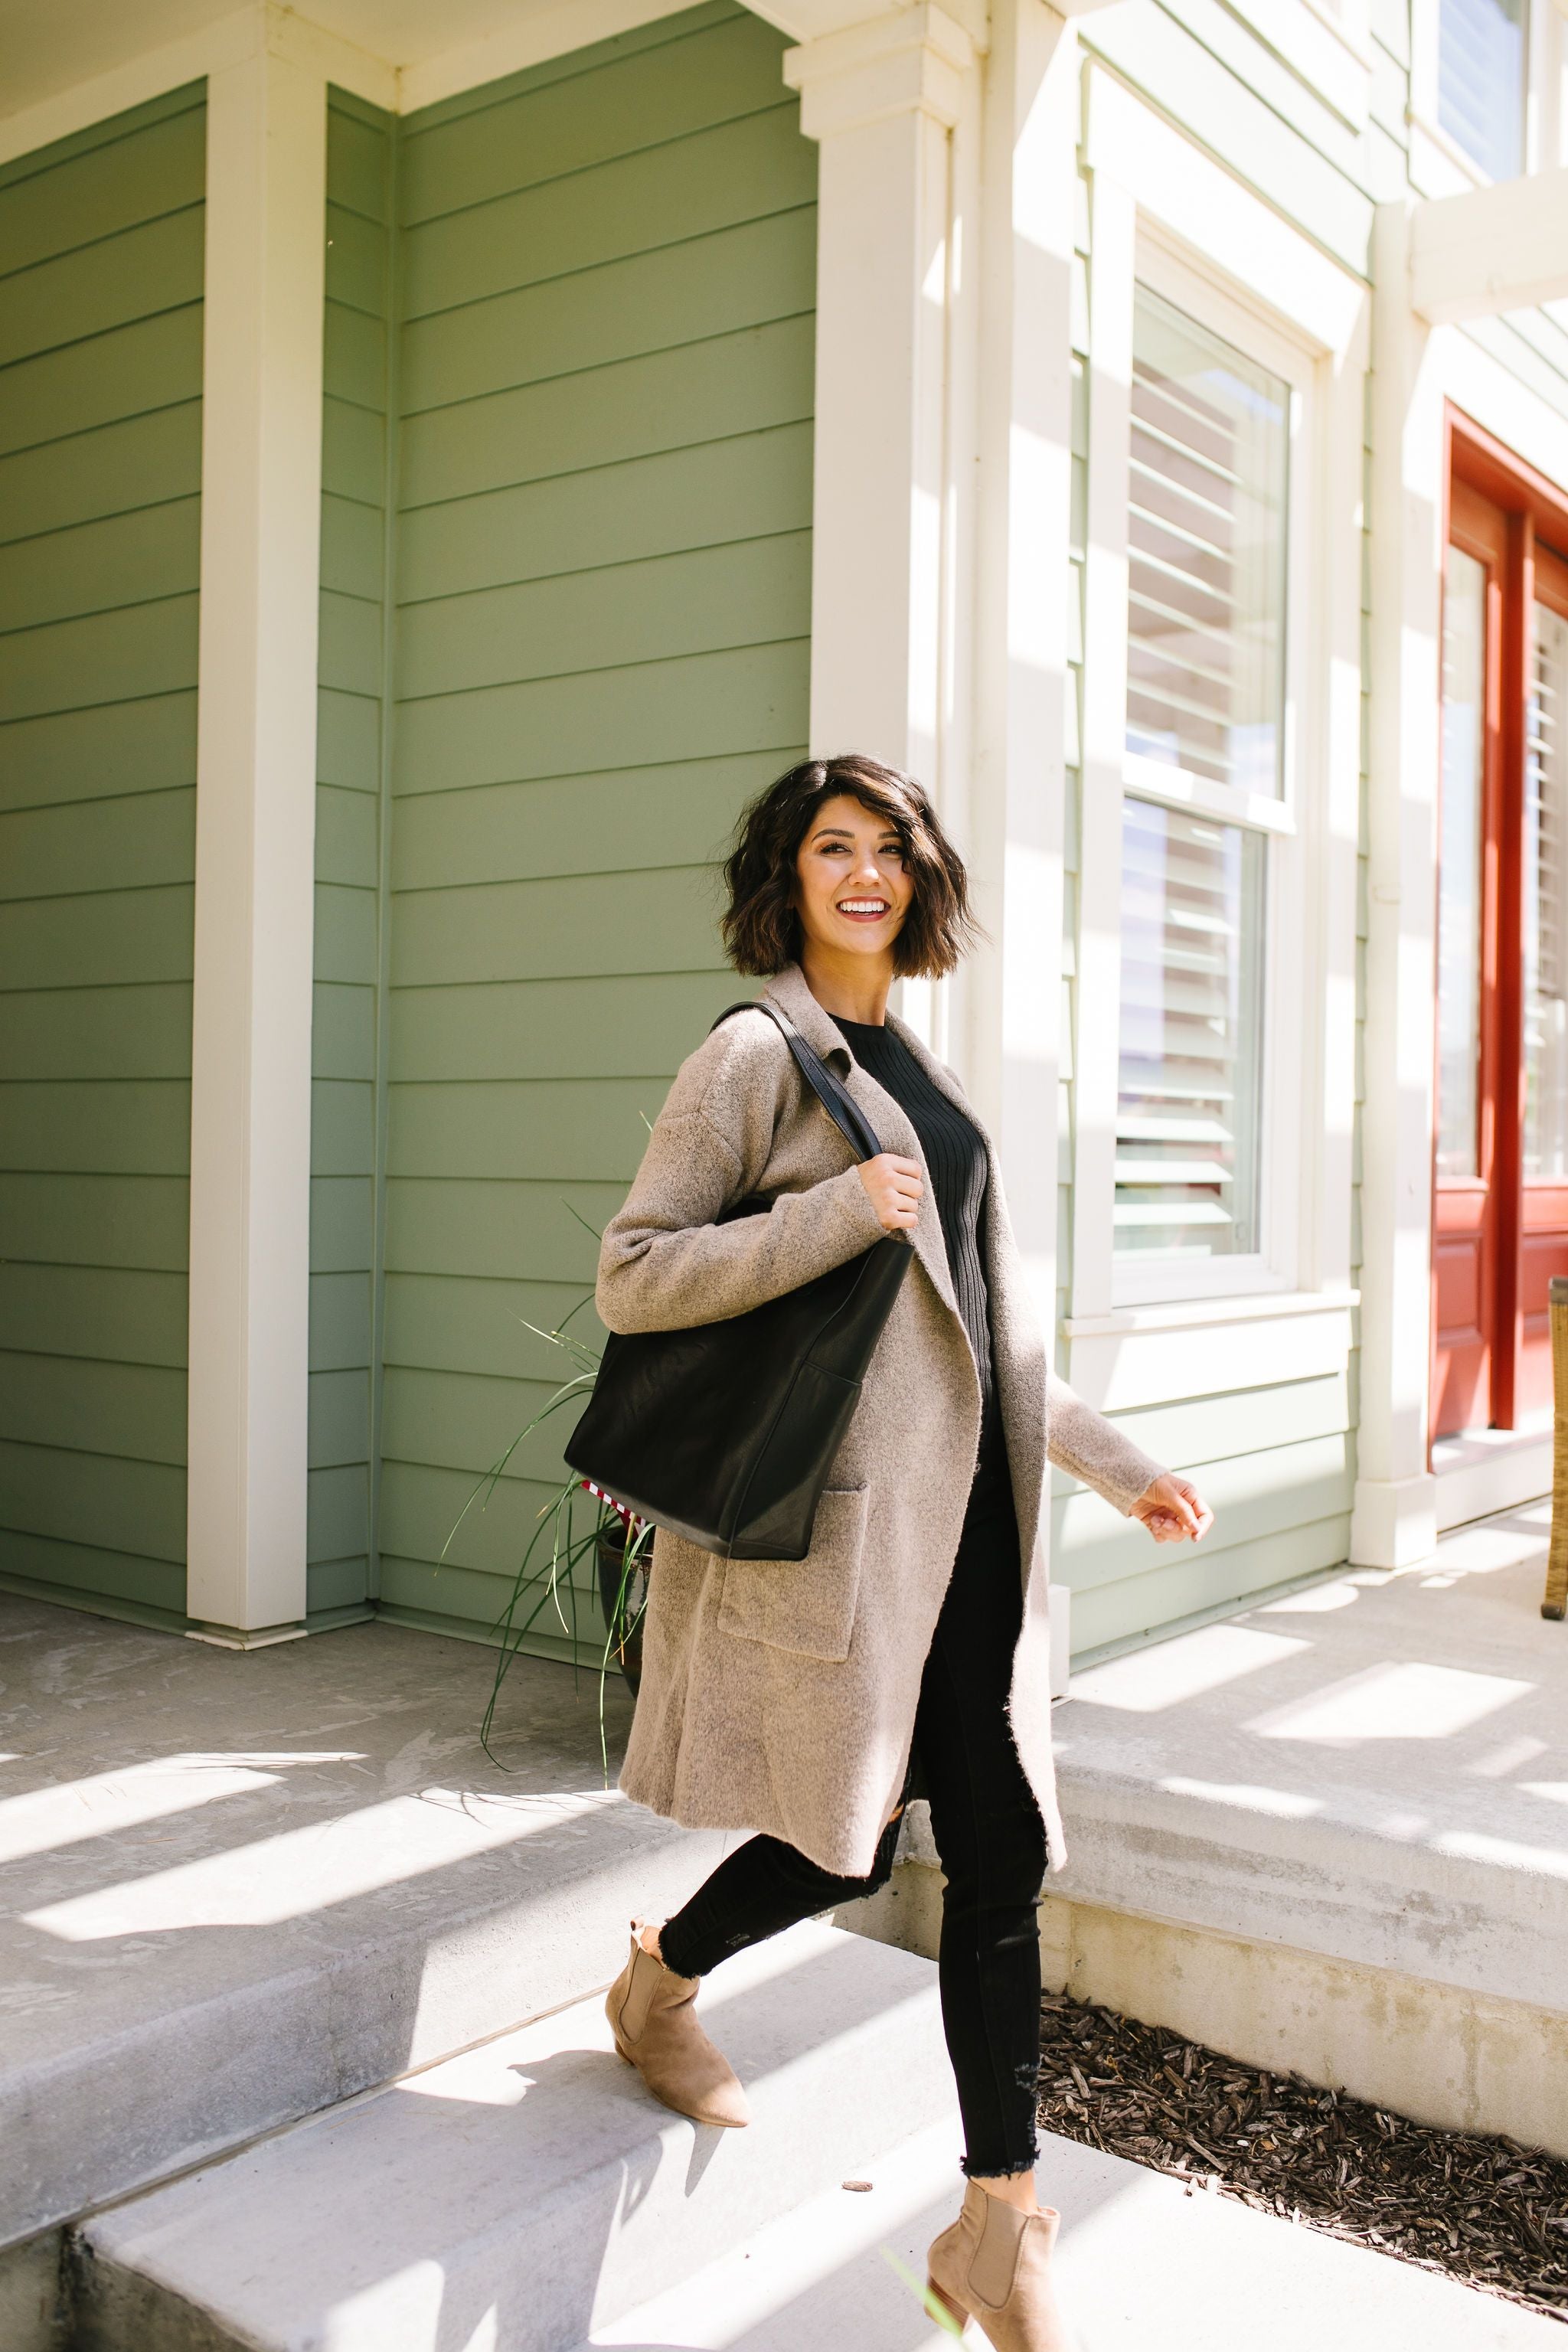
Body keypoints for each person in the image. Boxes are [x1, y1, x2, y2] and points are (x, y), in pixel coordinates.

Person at [595, 753, 1212, 2350]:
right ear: (788, 880)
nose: (862, 872)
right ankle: (658, 1978)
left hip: (973, 1541)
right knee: (848, 1841)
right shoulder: (754, 1055)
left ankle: (996, 2229)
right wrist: (830, 1216)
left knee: (998, 1854)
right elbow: (635, 1276)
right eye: (830, 849)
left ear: (920, 878)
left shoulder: (909, 1062)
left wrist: (1117, 1462)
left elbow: (978, 1337)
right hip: (854, 1551)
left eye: (887, 849)